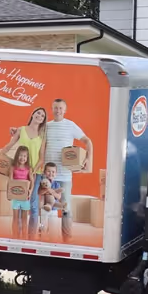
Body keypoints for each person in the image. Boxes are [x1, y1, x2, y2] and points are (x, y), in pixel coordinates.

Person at [29, 98, 93, 241]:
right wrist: (16, 131)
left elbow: (87, 141)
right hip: (47, 176)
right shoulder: (47, 126)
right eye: (55, 108)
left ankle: (67, 238)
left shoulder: (71, 126)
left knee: (66, 208)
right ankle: (43, 234)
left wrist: (88, 158)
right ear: (52, 109)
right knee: (44, 206)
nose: (58, 111)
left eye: (60, 108)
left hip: (64, 175)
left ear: (65, 110)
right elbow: (32, 133)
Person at [3, 107, 48, 175]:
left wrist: (33, 171)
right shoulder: (21, 130)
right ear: (32, 114)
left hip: (34, 172)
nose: (40, 116)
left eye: (42, 116)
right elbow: (9, 146)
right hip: (19, 171)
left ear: (43, 120)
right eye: (38, 113)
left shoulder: (42, 136)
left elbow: (41, 159)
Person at [7, 145, 34, 240]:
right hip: (15, 197)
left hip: (25, 198)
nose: (22, 158)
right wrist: (9, 193)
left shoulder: (28, 168)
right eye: (21, 155)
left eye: (25, 156)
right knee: (15, 218)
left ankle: (24, 237)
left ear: (27, 158)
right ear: (17, 155)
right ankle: (15, 236)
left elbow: (32, 181)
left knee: (24, 219)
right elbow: (10, 181)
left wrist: (30, 191)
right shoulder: (13, 167)